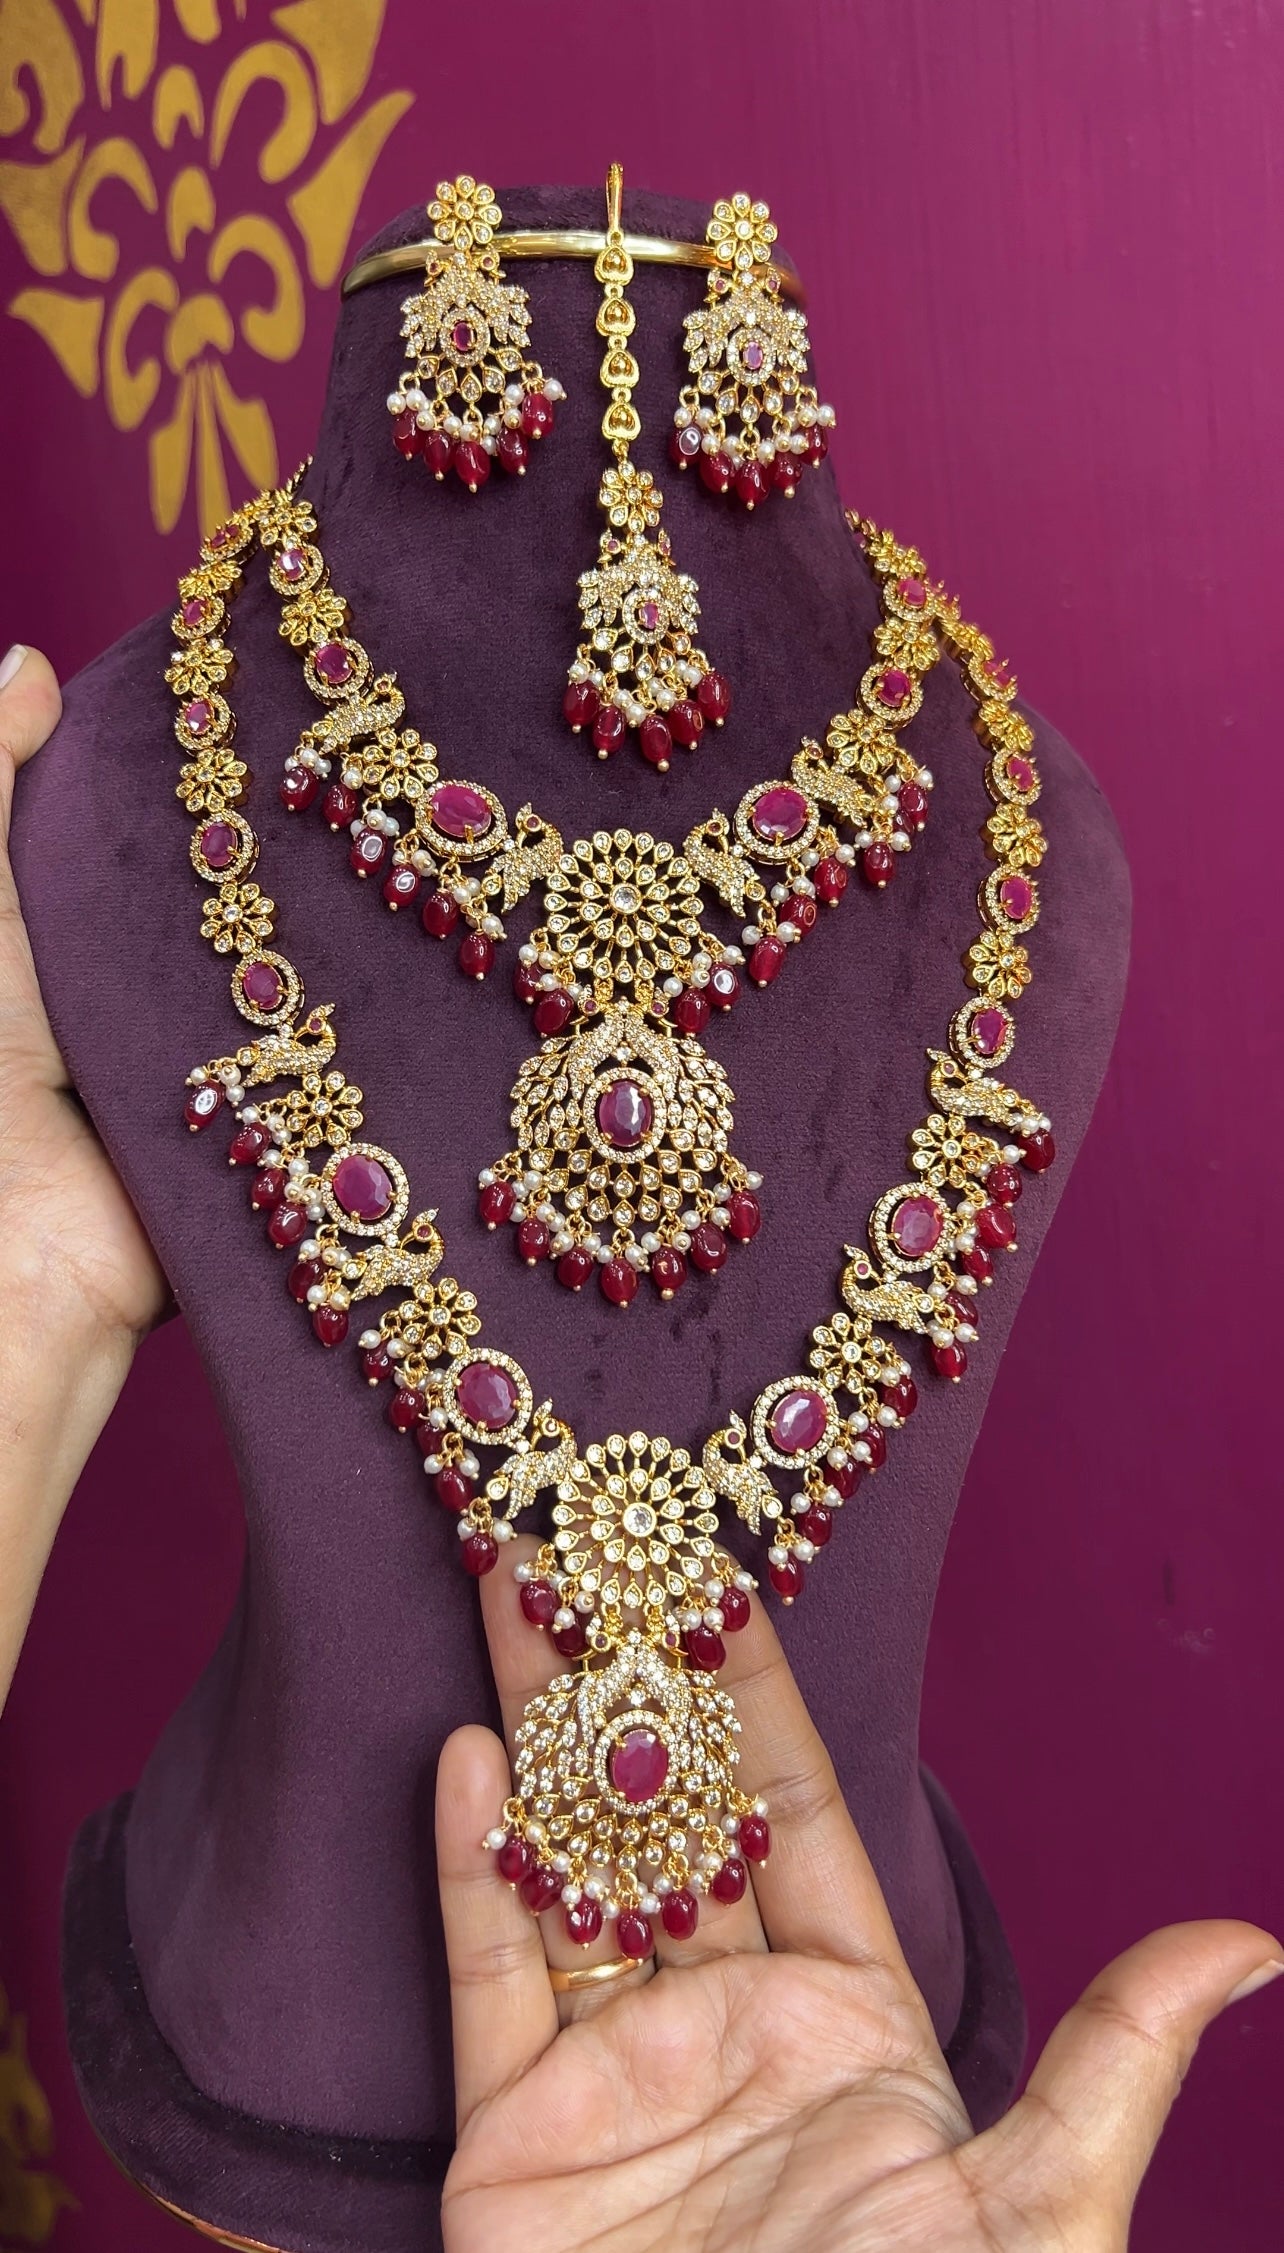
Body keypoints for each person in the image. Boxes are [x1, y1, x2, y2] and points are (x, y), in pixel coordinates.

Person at [0, 640, 1277, 2250]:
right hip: (326, 1975)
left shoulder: (1031, 815)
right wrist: (26, 1281)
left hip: (782, 2056)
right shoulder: (149, 760)